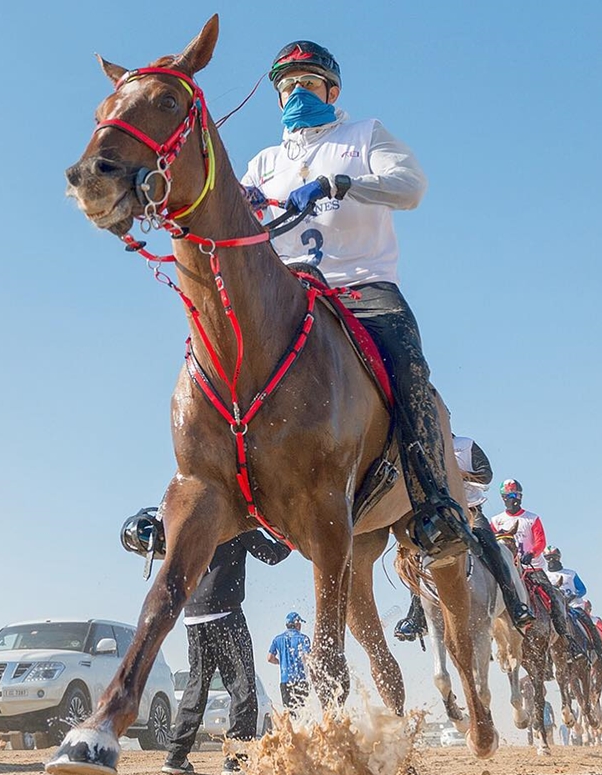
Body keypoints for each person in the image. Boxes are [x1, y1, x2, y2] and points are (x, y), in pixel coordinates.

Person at [242, 41, 477, 568]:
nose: (294, 94)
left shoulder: (364, 134)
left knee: (410, 369)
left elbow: (411, 187)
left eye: (305, 83)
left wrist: (340, 182)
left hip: (361, 287)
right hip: (291, 296)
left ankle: (434, 503)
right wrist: (242, 203)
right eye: (286, 87)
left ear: (332, 91)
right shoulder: (263, 162)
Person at [121, 511, 291, 775]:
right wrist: (289, 538)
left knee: (196, 686)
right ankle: (236, 760)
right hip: (226, 613)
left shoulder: (195, 523)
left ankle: (176, 756)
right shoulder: (237, 522)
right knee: (243, 686)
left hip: (193, 616)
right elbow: (271, 555)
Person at [395, 436, 535, 641]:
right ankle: (416, 616)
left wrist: (458, 474)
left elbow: (486, 475)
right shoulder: (423, 446)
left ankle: (514, 605)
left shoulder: (466, 445)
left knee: (493, 549)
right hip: (437, 513)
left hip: (470, 511)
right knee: (415, 555)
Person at [490, 479, 583, 660]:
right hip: (508, 569)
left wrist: (532, 553)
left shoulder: (532, 518)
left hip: (532, 568)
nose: (513, 499)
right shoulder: (496, 521)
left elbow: (541, 541)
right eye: (509, 496)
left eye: (516, 495)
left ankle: (566, 639)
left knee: (554, 597)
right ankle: (491, 637)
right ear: (503, 498)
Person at [268, 612, 312, 711]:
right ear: (296, 624)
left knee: (289, 713)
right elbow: (308, 657)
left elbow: (270, 658)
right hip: (301, 681)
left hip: (285, 681)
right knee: (303, 713)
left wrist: (280, 662)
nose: (300, 625)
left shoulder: (277, 639)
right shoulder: (303, 638)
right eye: (299, 623)